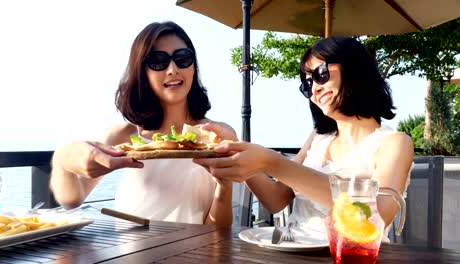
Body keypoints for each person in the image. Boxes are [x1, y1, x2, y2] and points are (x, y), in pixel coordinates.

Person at [194, 36, 414, 240]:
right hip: (294, 250)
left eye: (320, 74)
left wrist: (273, 163)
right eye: (308, 84)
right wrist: (235, 150)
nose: (315, 88)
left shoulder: (394, 143)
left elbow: (377, 216)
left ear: (355, 69)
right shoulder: (318, 138)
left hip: (352, 256)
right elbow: (276, 199)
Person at [50, 21, 236, 226]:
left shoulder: (215, 136)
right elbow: (71, 200)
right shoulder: (123, 137)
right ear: (143, 73)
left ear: (193, 66)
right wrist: (62, 162)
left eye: (182, 58)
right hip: (129, 252)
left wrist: (225, 187)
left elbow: (218, 232)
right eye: (158, 61)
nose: (172, 69)